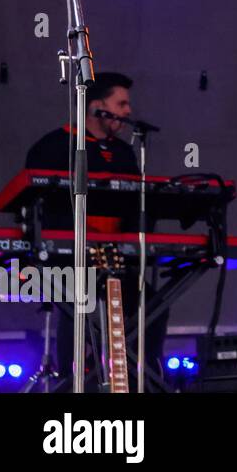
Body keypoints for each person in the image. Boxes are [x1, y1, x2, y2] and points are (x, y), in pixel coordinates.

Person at [24, 71, 168, 389]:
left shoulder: (125, 153)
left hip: (117, 259)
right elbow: (32, 203)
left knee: (153, 302)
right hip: (70, 258)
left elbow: (136, 205)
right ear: (98, 106)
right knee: (75, 304)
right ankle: (73, 382)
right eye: (122, 103)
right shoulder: (54, 146)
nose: (128, 112)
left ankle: (140, 377)